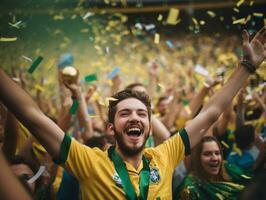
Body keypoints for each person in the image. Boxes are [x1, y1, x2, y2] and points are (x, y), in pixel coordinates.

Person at [0, 27, 265, 199]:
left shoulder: (165, 155)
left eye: (142, 114)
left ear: (149, 127)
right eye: (125, 114)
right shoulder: (88, 161)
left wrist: (247, 66)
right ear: (111, 129)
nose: (135, 117)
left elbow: (211, 112)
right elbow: (31, 115)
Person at [176, 136, 251, 199]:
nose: (215, 158)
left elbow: (251, 182)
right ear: (198, 158)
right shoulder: (190, 189)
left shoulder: (226, 167)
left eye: (217, 153)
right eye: (207, 154)